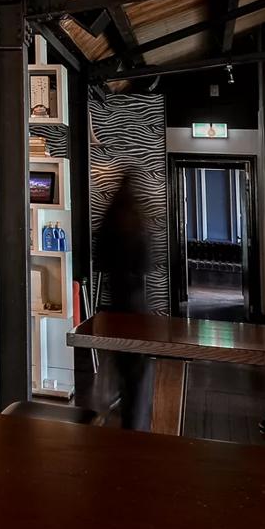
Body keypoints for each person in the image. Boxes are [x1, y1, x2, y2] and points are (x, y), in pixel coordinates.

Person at [95, 168, 151, 430]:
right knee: (136, 361)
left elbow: (101, 257)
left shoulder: (111, 216)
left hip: (115, 294)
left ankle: (119, 405)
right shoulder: (136, 219)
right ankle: (134, 415)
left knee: (121, 356)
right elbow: (145, 262)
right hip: (135, 297)